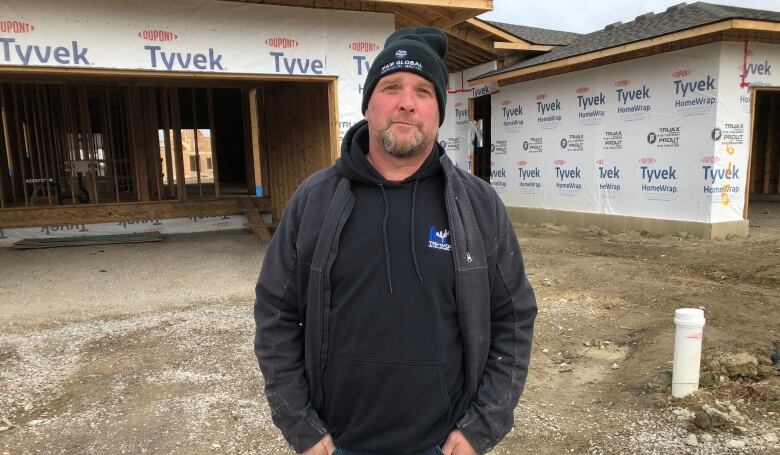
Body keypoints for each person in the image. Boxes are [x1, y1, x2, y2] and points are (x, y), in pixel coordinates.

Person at [254, 26, 537, 455]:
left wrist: (482, 427)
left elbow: (513, 318)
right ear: (367, 104)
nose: (406, 101)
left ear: (438, 112)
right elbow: (276, 315)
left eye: (424, 90)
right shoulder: (315, 199)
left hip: (442, 447)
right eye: (391, 87)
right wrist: (301, 427)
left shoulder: (477, 204)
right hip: (337, 446)